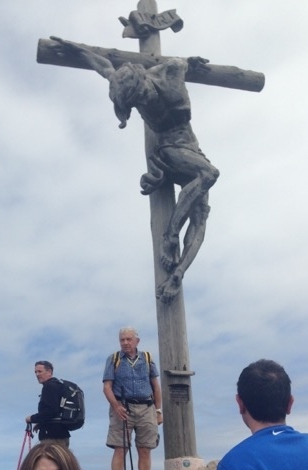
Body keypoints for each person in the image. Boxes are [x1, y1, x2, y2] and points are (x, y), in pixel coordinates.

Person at [50, 37, 219, 303]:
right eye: (135, 102)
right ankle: (171, 234)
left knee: (201, 218)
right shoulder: (125, 85)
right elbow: (102, 64)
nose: (143, 102)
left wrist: (192, 63)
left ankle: (178, 273)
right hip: (169, 149)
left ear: (143, 81)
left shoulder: (171, 73)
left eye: (141, 95)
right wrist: (74, 49)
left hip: (192, 148)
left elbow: (184, 63)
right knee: (209, 174)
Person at [102, 327, 163, 470]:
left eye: (129, 339)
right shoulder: (114, 359)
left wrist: (158, 410)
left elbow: (155, 385)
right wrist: (116, 406)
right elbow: (107, 387)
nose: (125, 343)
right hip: (123, 407)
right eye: (122, 340)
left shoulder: (147, 357)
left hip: (146, 407)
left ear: (137, 340)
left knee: (145, 449)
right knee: (120, 448)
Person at [25, 361, 70, 447]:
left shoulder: (49, 386)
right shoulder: (59, 385)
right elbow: (56, 410)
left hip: (51, 437)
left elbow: (50, 411)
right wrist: (41, 423)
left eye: (40, 371)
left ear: (49, 372)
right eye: (35, 372)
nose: (37, 374)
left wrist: (31, 418)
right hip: (62, 434)